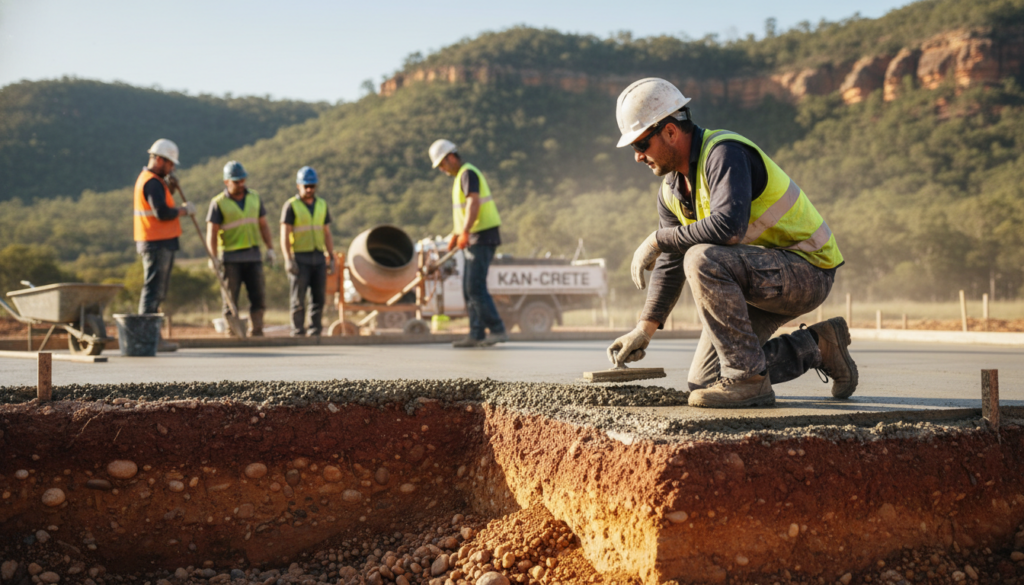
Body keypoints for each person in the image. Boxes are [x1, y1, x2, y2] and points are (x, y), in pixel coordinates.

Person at [606, 78, 858, 408]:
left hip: (807, 271)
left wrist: (657, 239)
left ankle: (748, 381)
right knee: (705, 382)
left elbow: (729, 228)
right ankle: (818, 346)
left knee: (700, 258)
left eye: (641, 145)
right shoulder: (671, 192)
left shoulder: (724, 153)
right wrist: (644, 329)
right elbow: (669, 262)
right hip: (755, 281)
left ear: (669, 131)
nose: (638, 157)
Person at [428, 139, 509, 348]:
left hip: (481, 236)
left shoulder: (467, 173)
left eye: (442, 164)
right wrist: (456, 235)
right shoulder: (460, 178)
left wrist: (464, 232)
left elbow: (473, 202)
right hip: (473, 237)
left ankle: (497, 329)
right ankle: (476, 333)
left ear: (451, 157)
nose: (442, 169)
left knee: (475, 287)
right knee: (469, 289)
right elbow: (463, 211)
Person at [133, 138, 195, 352]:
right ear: (159, 159)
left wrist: (171, 189)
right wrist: (184, 211)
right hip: (156, 243)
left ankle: (151, 337)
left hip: (160, 242)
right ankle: (146, 337)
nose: (172, 167)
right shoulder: (150, 181)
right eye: (170, 163)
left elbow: (162, 202)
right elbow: (162, 212)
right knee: (153, 291)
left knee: (157, 292)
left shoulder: (156, 182)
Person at [206, 161, 276, 336]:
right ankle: (233, 332)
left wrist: (270, 248)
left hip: (253, 256)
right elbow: (212, 233)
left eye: (243, 180)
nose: (241, 184)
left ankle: (257, 330)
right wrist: (212, 256)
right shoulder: (218, 203)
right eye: (236, 181)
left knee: (258, 296)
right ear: (226, 182)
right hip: (231, 258)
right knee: (230, 299)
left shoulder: (254, 197)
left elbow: (263, 225)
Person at [280, 166, 335, 337]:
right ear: (298, 186)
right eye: (306, 186)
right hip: (300, 257)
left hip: (318, 257)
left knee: (318, 298)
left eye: (312, 186)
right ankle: (297, 331)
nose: (309, 189)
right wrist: (288, 258)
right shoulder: (291, 206)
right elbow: (285, 234)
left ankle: (315, 330)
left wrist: (331, 256)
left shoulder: (321, 204)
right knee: (298, 298)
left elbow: (326, 232)